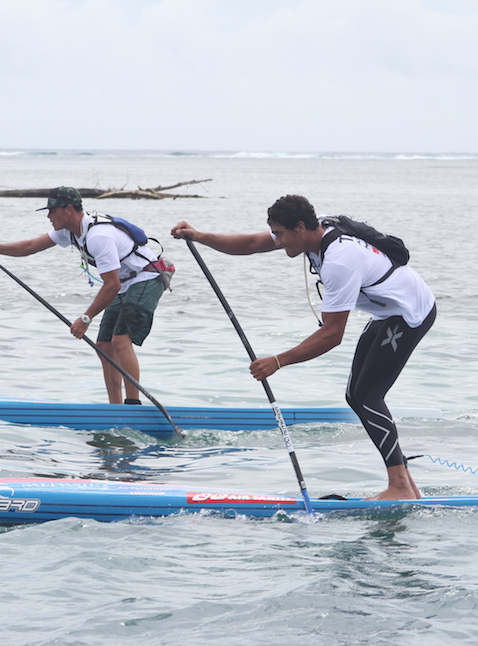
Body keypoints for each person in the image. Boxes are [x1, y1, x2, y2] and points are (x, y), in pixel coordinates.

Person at [171, 195, 435, 500]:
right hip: (388, 312)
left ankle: (400, 486)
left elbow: (332, 335)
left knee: (369, 396)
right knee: (356, 395)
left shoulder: (340, 261)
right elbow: (254, 242)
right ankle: (406, 485)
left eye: (281, 234)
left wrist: (278, 361)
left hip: (410, 312)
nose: (278, 242)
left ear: (299, 227)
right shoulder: (314, 231)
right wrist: (200, 236)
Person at [0, 186, 168, 405]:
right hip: (124, 283)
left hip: (147, 277)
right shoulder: (68, 231)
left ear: (69, 210)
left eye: (52, 210)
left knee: (120, 339)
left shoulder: (98, 236)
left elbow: (111, 285)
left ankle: (133, 406)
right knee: (103, 345)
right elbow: (29, 246)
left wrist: (85, 318)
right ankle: (115, 408)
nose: (48, 215)